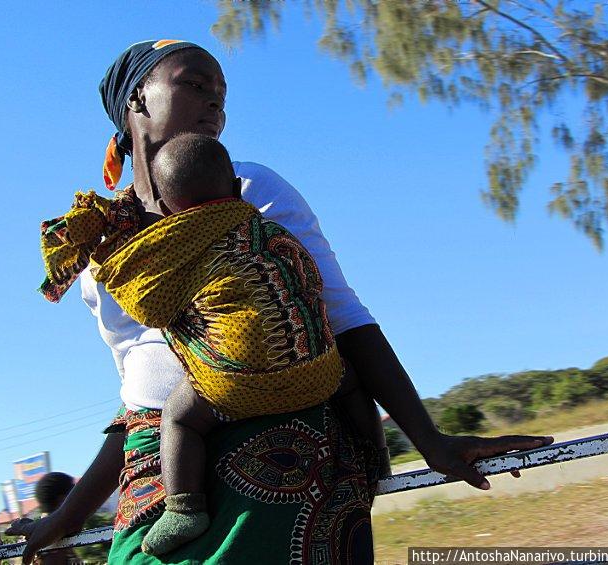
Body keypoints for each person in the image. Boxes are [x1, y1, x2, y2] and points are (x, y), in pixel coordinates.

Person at [10, 39, 553, 565]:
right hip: (162, 465)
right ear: (137, 102)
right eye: (195, 85)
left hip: (280, 435)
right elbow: (139, 398)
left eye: (222, 94)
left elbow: (343, 319)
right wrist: (71, 514)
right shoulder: (97, 251)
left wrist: (430, 440)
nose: (215, 103)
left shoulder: (249, 190)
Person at [95, 133, 390, 555]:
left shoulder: (180, 246)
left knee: (179, 417)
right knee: (352, 380)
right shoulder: (272, 229)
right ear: (235, 188)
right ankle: (376, 454)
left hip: (236, 387)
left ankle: (183, 508)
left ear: (163, 210)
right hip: (318, 372)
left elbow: (151, 311)